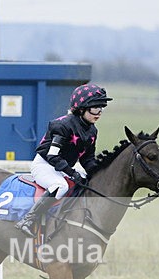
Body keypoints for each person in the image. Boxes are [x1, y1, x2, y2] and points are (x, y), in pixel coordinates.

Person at [15, 83, 112, 237]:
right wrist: (72, 173)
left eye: (101, 108)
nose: (99, 112)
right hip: (45, 165)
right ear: (81, 109)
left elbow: (88, 160)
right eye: (95, 108)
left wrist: (100, 173)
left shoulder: (92, 130)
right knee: (60, 186)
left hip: (63, 167)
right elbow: (53, 156)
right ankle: (28, 220)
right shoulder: (63, 125)